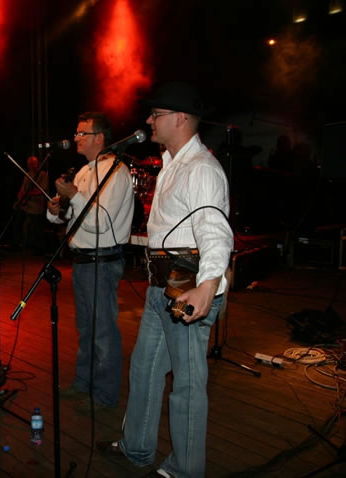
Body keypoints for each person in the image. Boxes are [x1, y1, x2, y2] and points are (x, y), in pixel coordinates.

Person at [108, 81, 233, 478]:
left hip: (188, 290)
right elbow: (173, 231)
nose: (149, 120)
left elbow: (215, 232)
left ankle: (185, 470)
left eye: (156, 114)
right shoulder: (171, 164)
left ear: (179, 118)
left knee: (187, 385)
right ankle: (137, 447)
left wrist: (208, 285)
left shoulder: (201, 169)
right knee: (144, 368)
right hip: (162, 288)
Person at [46, 112, 135, 411]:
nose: (76, 138)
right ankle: (84, 383)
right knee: (86, 329)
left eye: (82, 133)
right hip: (83, 260)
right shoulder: (84, 171)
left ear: (100, 137)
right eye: (76, 132)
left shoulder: (117, 172)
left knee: (103, 332)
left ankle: (105, 395)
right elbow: (71, 216)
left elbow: (101, 222)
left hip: (102, 261)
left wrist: (74, 195)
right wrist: (57, 208)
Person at [13, 155, 48, 255]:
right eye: (30, 164)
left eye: (34, 164)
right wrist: (19, 199)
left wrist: (28, 194)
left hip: (37, 205)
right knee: (17, 222)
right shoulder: (27, 175)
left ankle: (36, 248)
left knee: (35, 228)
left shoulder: (43, 175)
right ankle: (16, 244)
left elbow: (42, 190)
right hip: (25, 204)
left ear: (38, 164)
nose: (32, 166)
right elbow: (22, 190)